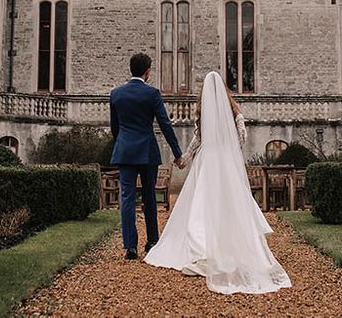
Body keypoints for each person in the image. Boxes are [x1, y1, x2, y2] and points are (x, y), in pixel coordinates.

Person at [145, 71, 292, 295]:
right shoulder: (235, 112)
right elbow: (242, 137)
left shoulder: (204, 113)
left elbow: (198, 139)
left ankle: (202, 249)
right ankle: (231, 246)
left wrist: (184, 158)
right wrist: (230, 151)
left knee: (203, 202)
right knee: (229, 202)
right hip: (226, 160)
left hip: (207, 160)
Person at [109, 53, 184, 260]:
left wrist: (122, 144)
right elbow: (164, 124)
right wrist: (177, 153)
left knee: (127, 197)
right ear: (147, 72)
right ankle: (152, 242)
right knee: (149, 196)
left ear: (131, 69)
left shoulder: (116, 94)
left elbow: (115, 127)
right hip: (147, 151)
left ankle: (130, 247)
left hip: (125, 151)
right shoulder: (152, 93)